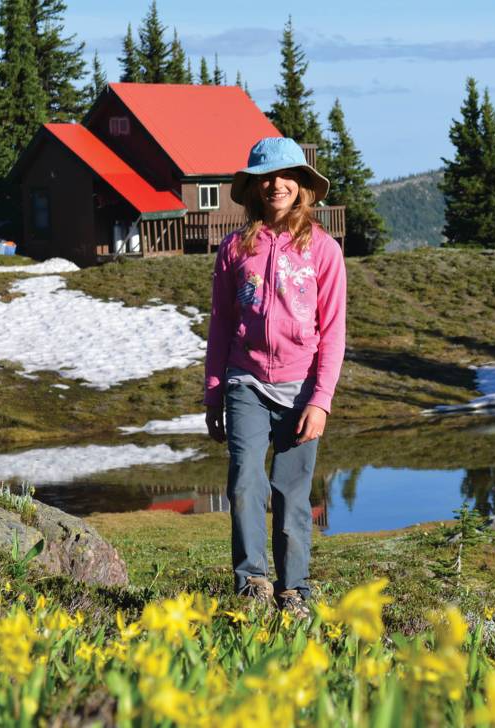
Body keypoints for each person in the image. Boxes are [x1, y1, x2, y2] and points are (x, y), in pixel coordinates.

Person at [204, 137, 346, 616]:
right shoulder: (233, 250)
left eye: (285, 175)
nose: (275, 184)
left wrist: (321, 400)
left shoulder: (324, 250)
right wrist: (214, 393)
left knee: (292, 493)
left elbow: (334, 331)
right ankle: (252, 583)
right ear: (253, 187)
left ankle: (294, 590)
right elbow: (221, 323)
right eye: (265, 176)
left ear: (302, 185)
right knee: (245, 482)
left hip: (303, 388)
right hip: (246, 382)